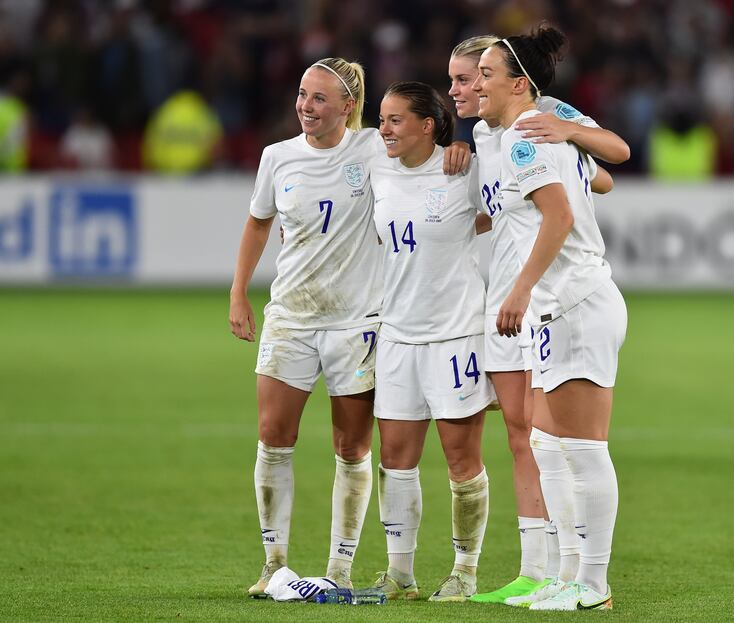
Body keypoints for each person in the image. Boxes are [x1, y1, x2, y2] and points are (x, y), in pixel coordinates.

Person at [230, 58, 471, 597]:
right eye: (301, 94)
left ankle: (340, 567)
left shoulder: (372, 148)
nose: (305, 106)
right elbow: (258, 221)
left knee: (352, 447)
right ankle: (274, 561)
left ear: (347, 105)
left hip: (357, 322)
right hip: (291, 317)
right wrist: (238, 291)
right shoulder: (277, 158)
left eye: (319, 98)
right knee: (274, 437)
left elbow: (421, 152)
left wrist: (459, 148)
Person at [447, 34, 628, 605]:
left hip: (571, 300)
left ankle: (592, 584)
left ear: (517, 82)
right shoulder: (507, 135)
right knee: (549, 445)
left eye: (483, 73)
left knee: (583, 449)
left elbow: (562, 212)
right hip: (557, 307)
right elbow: (586, 185)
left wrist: (520, 289)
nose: (474, 83)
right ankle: (565, 577)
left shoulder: (532, 132)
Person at [369, 81, 492, 602]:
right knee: (395, 458)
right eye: (381, 119)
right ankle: (400, 574)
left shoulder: (464, 169)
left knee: (462, 460)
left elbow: (503, 215)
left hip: (456, 335)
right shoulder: (376, 170)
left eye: (396, 120)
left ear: (428, 125)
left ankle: (465, 571)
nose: (384, 129)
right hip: (396, 334)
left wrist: (467, 143)